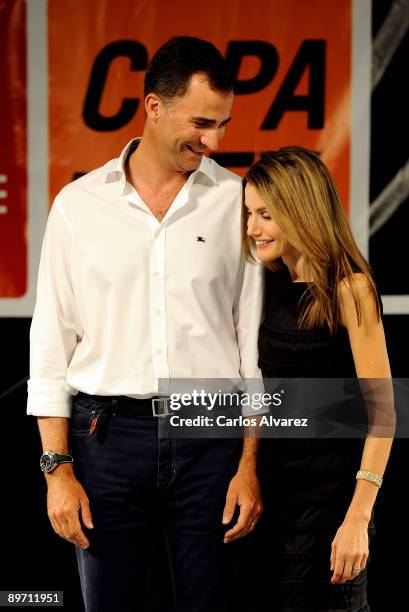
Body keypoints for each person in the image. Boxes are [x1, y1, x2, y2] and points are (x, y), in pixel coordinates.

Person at [27, 36, 264, 612]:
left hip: (212, 437)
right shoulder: (78, 206)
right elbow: (51, 346)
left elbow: (251, 347)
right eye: (203, 122)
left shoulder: (238, 201)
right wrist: (57, 470)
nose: (215, 142)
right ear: (154, 107)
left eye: (225, 124)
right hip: (105, 439)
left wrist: (250, 464)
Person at [242, 147, 394, 611]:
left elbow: (385, 415)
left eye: (266, 215)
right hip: (274, 495)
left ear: (301, 209)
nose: (252, 228)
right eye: (249, 214)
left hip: (334, 501)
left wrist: (358, 515)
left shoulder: (350, 289)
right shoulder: (262, 284)